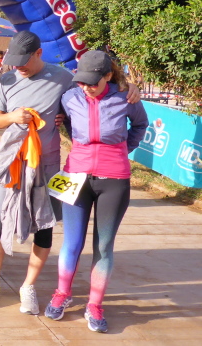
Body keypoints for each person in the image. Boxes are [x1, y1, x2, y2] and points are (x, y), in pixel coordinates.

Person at [0, 31, 140, 314]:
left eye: (24, 60)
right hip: (12, 164)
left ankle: (28, 286)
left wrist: (129, 86)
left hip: (47, 167)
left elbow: (97, 85)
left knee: (44, 228)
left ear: (39, 53)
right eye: (14, 60)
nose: (18, 66)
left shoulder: (63, 78)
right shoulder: (8, 79)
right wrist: (13, 117)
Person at [44, 50, 147, 333]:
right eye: (82, 81)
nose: (86, 87)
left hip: (114, 179)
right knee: (71, 242)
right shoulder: (70, 97)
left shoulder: (126, 97)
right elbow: (65, 122)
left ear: (108, 76)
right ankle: (62, 293)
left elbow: (140, 124)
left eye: (92, 82)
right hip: (76, 177)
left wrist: (122, 150)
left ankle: (94, 304)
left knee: (103, 246)